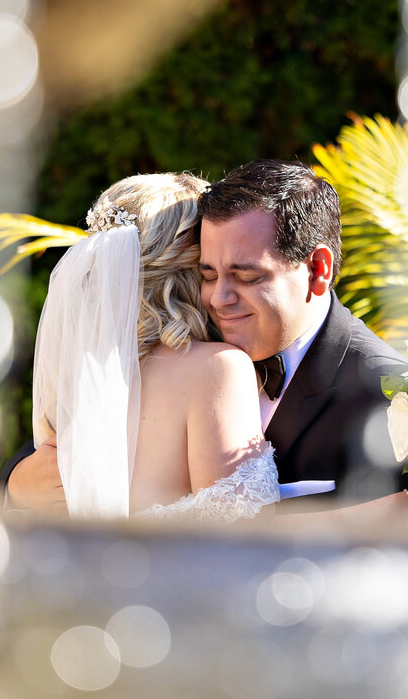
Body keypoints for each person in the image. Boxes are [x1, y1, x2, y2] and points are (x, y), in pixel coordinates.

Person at [5, 160, 408, 515]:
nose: (219, 298)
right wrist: (16, 483)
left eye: (247, 276)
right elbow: (55, 455)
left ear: (318, 270)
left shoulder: (393, 396)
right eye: (207, 274)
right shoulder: (125, 367)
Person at [23, 172, 280, 522]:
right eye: (209, 265)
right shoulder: (219, 369)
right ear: (190, 265)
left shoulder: (85, 376)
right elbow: (241, 538)